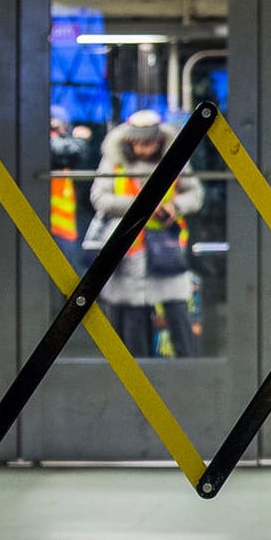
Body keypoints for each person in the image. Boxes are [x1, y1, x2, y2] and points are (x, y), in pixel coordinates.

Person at [85, 109, 204, 358]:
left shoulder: (176, 158)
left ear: (160, 141)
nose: (144, 148)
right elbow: (99, 197)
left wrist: (176, 207)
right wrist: (141, 205)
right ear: (129, 141)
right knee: (131, 326)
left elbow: (195, 194)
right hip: (128, 253)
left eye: (149, 142)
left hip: (166, 250)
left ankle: (189, 373)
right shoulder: (114, 159)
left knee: (178, 318)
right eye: (138, 142)